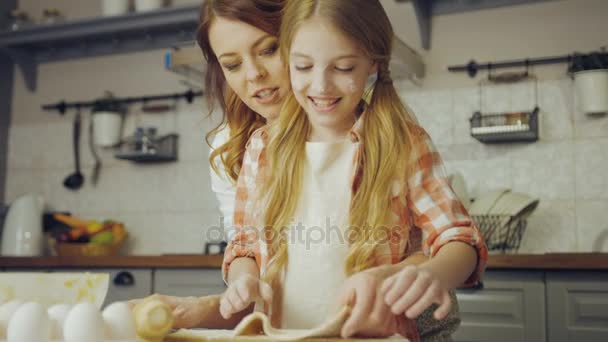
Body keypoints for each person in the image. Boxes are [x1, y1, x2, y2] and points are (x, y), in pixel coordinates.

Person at [219, 0, 488, 341]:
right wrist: (243, 278)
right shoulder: (262, 147)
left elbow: (459, 239)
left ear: (372, 63)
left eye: (343, 68)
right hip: (280, 334)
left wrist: (435, 274)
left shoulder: (402, 144)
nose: (320, 86)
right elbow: (244, 245)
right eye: (303, 67)